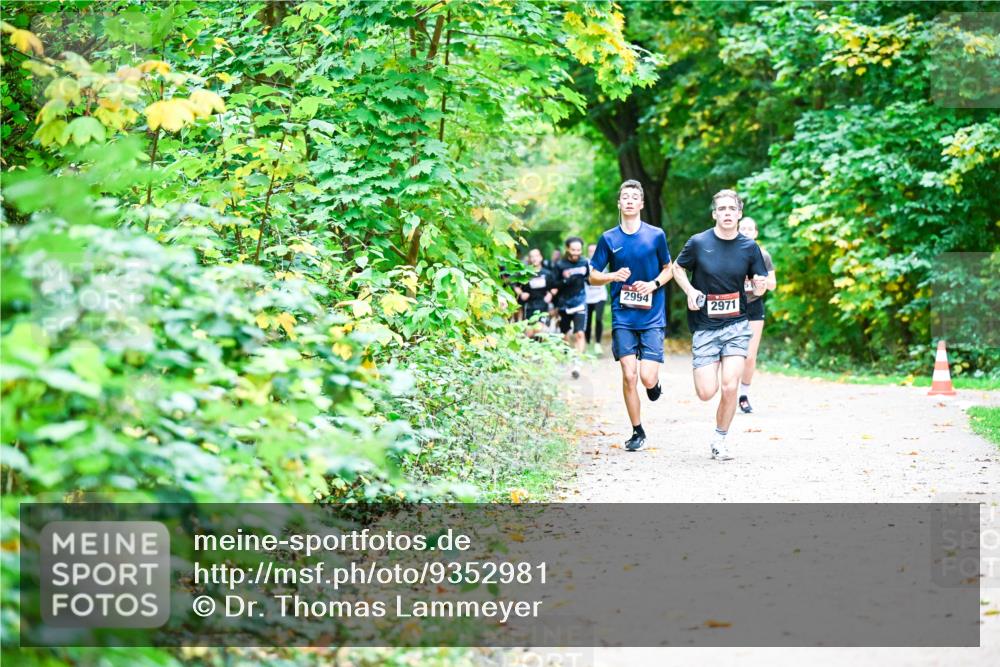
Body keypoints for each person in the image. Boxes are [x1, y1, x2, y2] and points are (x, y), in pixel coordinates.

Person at [672, 189, 767, 461]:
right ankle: (718, 430)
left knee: (729, 387)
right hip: (704, 326)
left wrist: (759, 287)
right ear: (714, 213)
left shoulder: (749, 247)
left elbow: (758, 284)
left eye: (731, 209)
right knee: (706, 392)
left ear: (739, 213)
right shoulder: (699, 242)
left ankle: (720, 439)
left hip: (737, 324)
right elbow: (677, 268)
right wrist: (690, 291)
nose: (727, 213)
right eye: (721, 209)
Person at [588, 180, 673, 452]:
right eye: (625, 196)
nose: (629, 201)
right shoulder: (609, 238)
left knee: (647, 378)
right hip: (623, 316)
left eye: (634, 197)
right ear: (619, 203)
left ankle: (654, 384)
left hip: (651, 316)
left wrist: (653, 284)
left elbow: (669, 268)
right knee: (629, 375)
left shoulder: (655, 235)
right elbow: (593, 275)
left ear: (641, 204)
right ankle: (637, 431)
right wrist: (612, 275)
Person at [736, 217, 776, 413]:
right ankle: (729, 391)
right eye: (742, 228)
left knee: (750, 356)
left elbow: (773, 284)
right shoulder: (728, 253)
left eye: (749, 229)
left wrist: (761, 282)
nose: (745, 231)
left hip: (753, 306)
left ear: (756, 233)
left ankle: (743, 395)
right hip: (730, 307)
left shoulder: (763, 255)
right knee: (731, 354)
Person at [551, 237, 590, 378]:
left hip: (580, 302)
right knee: (565, 336)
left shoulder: (585, 262)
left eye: (578, 250)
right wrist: (565, 279)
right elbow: (554, 285)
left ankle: (577, 363)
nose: (576, 252)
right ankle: (566, 356)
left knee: (579, 333)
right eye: (573, 249)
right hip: (564, 304)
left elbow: (590, 279)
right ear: (567, 248)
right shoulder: (560, 265)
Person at [513, 248, 553, 338]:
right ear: (529, 259)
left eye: (536, 256)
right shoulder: (525, 274)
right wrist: (521, 293)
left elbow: (554, 287)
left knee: (540, 331)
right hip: (529, 306)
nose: (534, 258)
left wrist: (551, 294)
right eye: (532, 256)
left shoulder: (547, 273)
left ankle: (541, 350)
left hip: (543, 306)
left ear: (541, 258)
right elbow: (515, 286)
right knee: (529, 334)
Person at [585, 243, 608, 351]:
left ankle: (598, 343)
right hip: (587, 297)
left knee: (598, 319)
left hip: (600, 296)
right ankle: (587, 342)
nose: (592, 252)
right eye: (590, 250)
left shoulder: (603, 263)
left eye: (594, 250)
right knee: (588, 320)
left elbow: (606, 278)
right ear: (587, 252)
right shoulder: (584, 263)